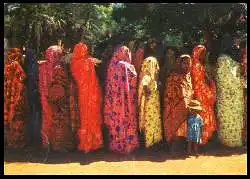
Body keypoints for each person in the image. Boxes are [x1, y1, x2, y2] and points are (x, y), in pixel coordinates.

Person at [104, 46, 139, 154]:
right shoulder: (126, 66)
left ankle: (117, 145)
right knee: (127, 120)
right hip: (127, 101)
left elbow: (109, 85)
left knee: (116, 121)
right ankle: (128, 145)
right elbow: (134, 78)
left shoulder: (111, 66)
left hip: (114, 102)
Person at [70, 41, 103, 153]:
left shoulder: (74, 63)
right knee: (91, 116)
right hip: (91, 94)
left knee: (84, 117)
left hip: (80, 94)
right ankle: (92, 143)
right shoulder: (87, 62)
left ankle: (85, 143)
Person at [216, 37, 244, 147]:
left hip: (233, 97)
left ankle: (232, 142)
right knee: (228, 119)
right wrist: (241, 81)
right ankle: (228, 143)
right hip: (228, 95)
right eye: (235, 45)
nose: (237, 47)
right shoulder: (224, 59)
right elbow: (226, 78)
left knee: (233, 119)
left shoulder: (231, 60)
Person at [164, 54, 193, 153]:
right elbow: (169, 92)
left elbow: (190, 91)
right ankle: (173, 148)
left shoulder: (188, 76)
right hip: (175, 106)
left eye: (188, 63)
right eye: (184, 63)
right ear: (179, 63)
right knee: (175, 128)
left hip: (188, 106)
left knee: (185, 128)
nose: (186, 65)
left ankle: (184, 148)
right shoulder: (173, 76)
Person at [38, 45, 64, 148]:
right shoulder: (58, 67)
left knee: (46, 116)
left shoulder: (42, 66)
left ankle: (46, 141)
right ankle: (55, 142)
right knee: (56, 117)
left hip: (44, 96)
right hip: (56, 97)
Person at [191, 45, 217, 145]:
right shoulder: (197, 66)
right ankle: (202, 140)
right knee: (203, 116)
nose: (204, 55)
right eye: (202, 53)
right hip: (201, 94)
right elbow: (198, 83)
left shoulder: (196, 64)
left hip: (201, 93)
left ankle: (201, 140)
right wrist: (209, 90)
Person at [4, 48, 29, 148]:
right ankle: (17, 141)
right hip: (16, 93)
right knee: (17, 117)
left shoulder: (6, 66)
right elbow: (22, 77)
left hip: (8, 93)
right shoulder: (16, 65)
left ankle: (10, 140)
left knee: (9, 116)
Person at [138, 56, 163, 149]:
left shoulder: (152, 77)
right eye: (154, 65)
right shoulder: (147, 76)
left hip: (153, 103)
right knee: (150, 121)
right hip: (150, 103)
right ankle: (150, 142)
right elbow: (144, 86)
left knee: (154, 120)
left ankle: (154, 140)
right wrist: (149, 92)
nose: (156, 67)